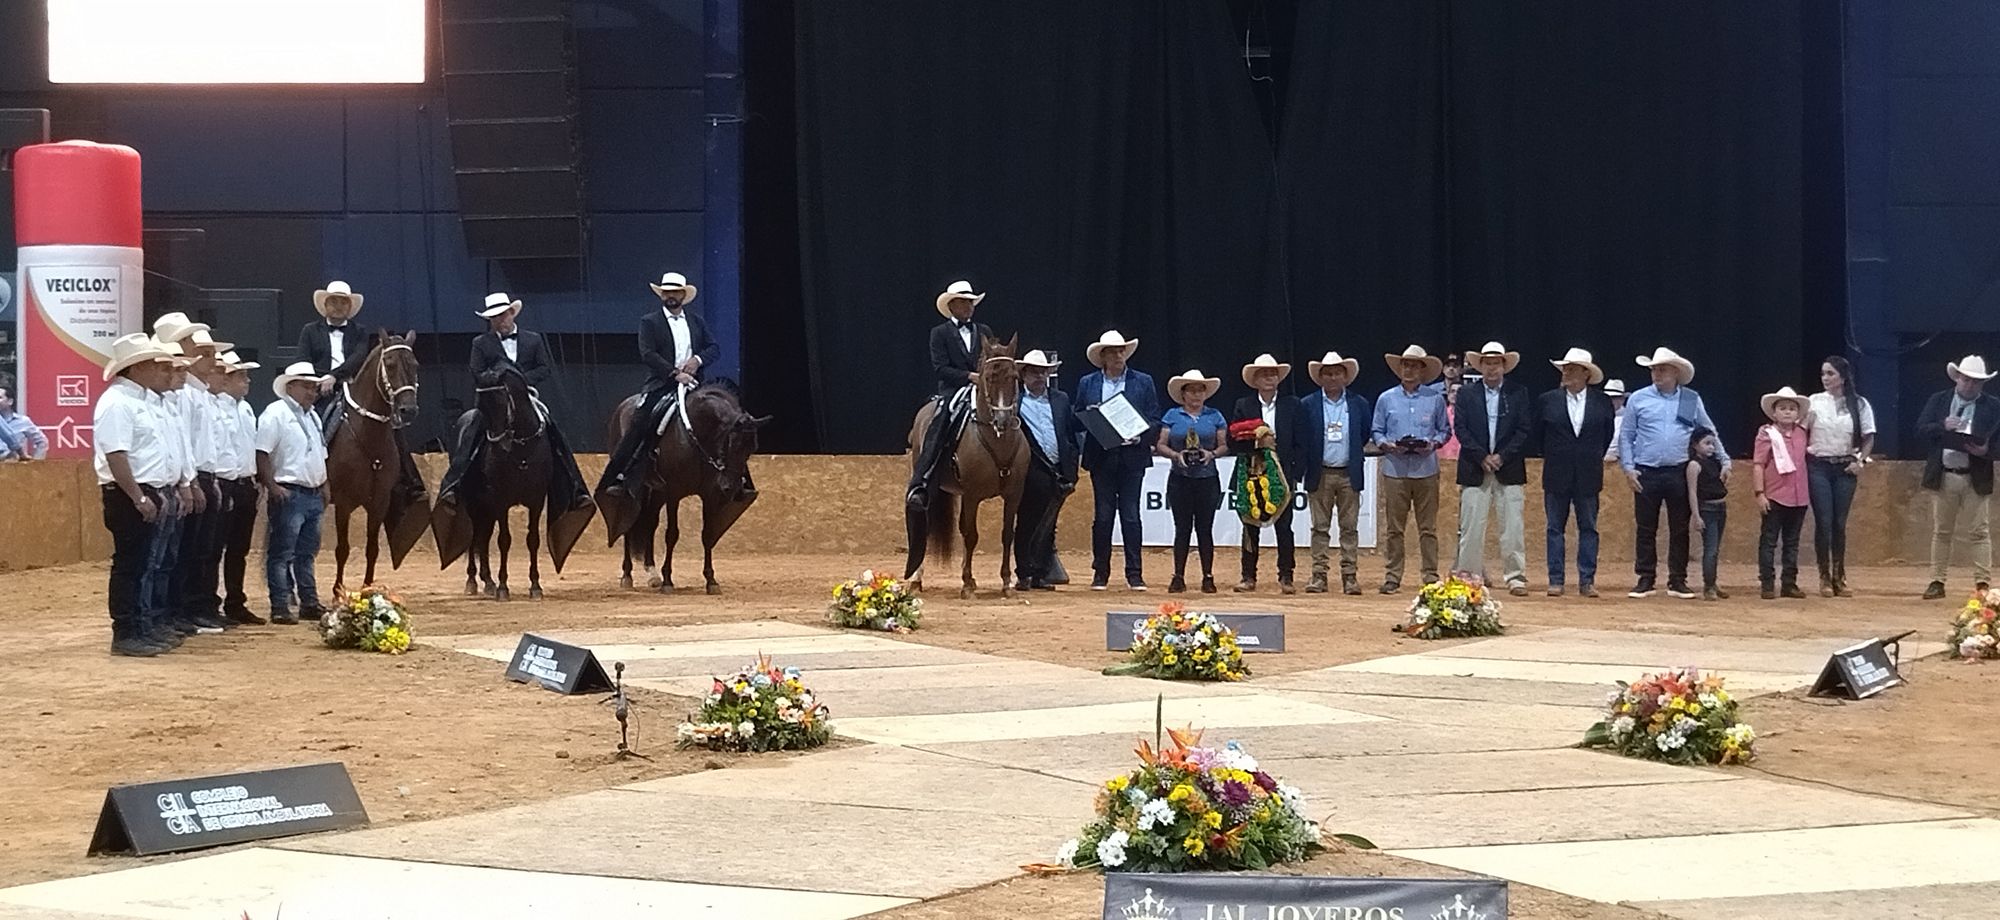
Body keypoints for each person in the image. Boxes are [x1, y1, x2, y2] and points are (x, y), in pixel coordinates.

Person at [435, 293, 595, 559]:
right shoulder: (480, 343)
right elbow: (477, 373)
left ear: (512, 314)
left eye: (503, 315)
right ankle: (454, 484)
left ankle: (574, 486)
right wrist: (500, 379)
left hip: (527, 397)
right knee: (473, 428)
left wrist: (519, 381)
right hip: (493, 400)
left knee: (552, 429)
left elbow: (544, 368)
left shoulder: (533, 340)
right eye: (495, 317)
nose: (500, 320)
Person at [597, 272, 719, 536]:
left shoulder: (696, 322)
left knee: (722, 419)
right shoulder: (650, 322)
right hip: (661, 384)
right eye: (667, 292)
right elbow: (648, 354)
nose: (671, 296)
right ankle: (622, 473)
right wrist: (675, 374)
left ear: (683, 295)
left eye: (675, 292)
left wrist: (697, 360)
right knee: (642, 420)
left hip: (694, 385)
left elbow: (713, 348)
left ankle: (737, 478)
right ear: (662, 295)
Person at [94, 335, 181, 656]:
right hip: (131, 493)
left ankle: (142, 626)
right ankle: (126, 631)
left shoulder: (140, 401)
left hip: (147, 491)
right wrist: (138, 497)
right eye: (153, 364)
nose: (160, 370)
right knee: (131, 565)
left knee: (147, 564)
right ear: (137, 368)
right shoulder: (117, 402)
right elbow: (116, 455)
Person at [1619, 346, 1725, 600]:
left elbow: (1709, 430)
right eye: (1654, 369)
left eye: (1662, 369)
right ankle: (1646, 578)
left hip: (1679, 470)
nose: (1656, 373)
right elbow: (1626, 435)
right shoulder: (1638, 398)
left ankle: (1677, 579)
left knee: (1679, 528)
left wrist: (1724, 458)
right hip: (1646, 470)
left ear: (1675, 373)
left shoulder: (1690, 399)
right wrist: (1629, 468)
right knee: (1646, 527)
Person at [152, 314, 228, 635]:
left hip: (201, 476)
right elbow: (183, 443)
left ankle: (193, 607)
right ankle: (181, 609)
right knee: (183, 552)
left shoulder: (198, 394)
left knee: (199, 550)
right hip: (190, 477)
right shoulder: (182, 395)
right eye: (188, 343)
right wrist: (190, 481)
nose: (196, 351)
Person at [1074, 330, 1160, 591]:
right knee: (1103, 516)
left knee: (1131, 515)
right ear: (1103, 356)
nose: (1118, 356)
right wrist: (1090, 416)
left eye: (1121, 351)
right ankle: (1100, 572)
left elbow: (1154, 418)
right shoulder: (1088, 383)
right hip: (1102, 456)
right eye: (1112, 352)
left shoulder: (1143, 382)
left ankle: (1135, 573)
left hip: (1132, 455)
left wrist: (1140, 435)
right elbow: (1077, 415)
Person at [1533, 348, 1616, 597]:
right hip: (1556, 472)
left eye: (1571, 369)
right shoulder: (1547, 400)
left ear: (1586, 373)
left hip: (1588, 473)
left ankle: (1587, 580)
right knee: (1554, 528)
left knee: (1588, 527)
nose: (1566, 373)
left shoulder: (1602, 402)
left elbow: (1607, 435)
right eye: (1565, 369)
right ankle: (1556, 579)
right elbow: (1538, 436)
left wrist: (1589, 456)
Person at [1453, 342, 1532, 595]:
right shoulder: (1467, 394)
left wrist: (1501, 456)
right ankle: (1468, 576)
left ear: (1504, 366)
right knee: (1471, 528)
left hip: (1509, 469)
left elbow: (1523, 429)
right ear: (1481, 366)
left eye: (1496, 363)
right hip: (1474, 468)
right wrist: (1481, 456)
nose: (1491, 368)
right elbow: (1461, 429)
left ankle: (1516, 577)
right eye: (1487, 363)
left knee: (1513, 527)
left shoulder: (1518, 393)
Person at [908, 280, 995, 510]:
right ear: (952, 306)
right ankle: (922, 481)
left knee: (1009, 413)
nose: (969, 307)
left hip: (983, 389)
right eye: (964, 302)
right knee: (941, 423)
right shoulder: (939, 333)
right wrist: (969, 376)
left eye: (971, 303)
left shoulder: (984, 331)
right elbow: (941, 368)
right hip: (954, 390)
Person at [1917, 355, 1998, 599]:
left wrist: (1986, 451)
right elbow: (1920, 429)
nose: (1970, 385)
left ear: (1982, 384)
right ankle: (1937, 580)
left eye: (1976, 381)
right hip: (1945, 474)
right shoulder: (1939, 400)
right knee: (1942, 531)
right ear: (1957, 379)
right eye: (1966, 380)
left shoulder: (1993, 406)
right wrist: (1943, 425)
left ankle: (1982, 583)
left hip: (1975, 476)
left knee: (1979, 532)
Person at [1371, 345, 1450, 593]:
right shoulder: (1386, 399)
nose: (1409, 370)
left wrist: (1433, 444)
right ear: (1400, 369)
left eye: (1414, 366)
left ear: (1422, 370)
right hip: (1395, 469)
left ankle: (1430, 576)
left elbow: (1445, 431)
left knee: (1428, 528)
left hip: (1426, 469)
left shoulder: (1435, 399)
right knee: (1394, 528)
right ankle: (1393, 576)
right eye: (1406, 365)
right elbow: (1376, 431)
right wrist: (1387, 445)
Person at [258, 362, 331, 625]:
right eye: (306, 387)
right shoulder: (275, 414)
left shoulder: (313, 417)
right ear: (290, 387)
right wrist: (272, 486)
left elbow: (320, 454)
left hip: (312, 492)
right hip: (290, 492)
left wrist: (324, 485)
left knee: (307, 553)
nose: (312, 392)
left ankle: (309, 602)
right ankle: (280, 605)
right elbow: (262, 452)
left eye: (314, 387)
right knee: (282, 552)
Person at [1231, 354, 1305, 593]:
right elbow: (1234, 440)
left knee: (1284, 527)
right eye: (1264, 374)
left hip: (1281, 473)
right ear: (1255, 379)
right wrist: (1257, 443)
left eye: (1273, 373)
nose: (1269, 378)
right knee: (1249, 526)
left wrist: (1295, 473)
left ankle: (1286, 575)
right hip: (1251, 472)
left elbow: (1300, 441)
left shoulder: (1292, 405)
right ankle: (1248, 576)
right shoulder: (1243, 405)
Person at [1299, 351, 1369, 595]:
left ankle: (1350, 576)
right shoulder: (1308, 404)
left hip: (1349, 473)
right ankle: (1319, 575)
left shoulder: (1359, 403)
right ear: (1320, 377)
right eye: (1327, 373)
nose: (1332, 377)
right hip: (1320, 472)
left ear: (1345, 376)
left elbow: (1364, 434)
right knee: (1319, 527)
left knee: (1349, 527)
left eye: (1337, 372)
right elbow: (1304, 437)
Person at [1806, 356, 1875, 596]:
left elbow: (1868, 437)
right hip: (1818, 466)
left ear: (1843, 377)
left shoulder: (1860, 404)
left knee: (1839, 523)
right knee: (1824, 521)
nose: (1825, 378)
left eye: (1830, 373)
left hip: (1845, 467)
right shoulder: (1813, 402)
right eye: (1823, 373)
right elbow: (1801, 432)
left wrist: (1860, 461)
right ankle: (1824, 576)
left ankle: (1839, 575)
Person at [1157, 369, 1228, 594]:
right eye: (1192, 390)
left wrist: (1211, 454)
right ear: (1183, 394)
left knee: (1205, 529)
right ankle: (1178, 575)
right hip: (1180, 479)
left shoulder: (1215, 416)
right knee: (1182, 528)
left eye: (1200, 390)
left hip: (1207, 479)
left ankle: (1208, 576)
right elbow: (1161, 444)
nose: (1196, 394)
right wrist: (1175, 455)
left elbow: (1224, 445)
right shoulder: (1172, 415)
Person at [1014, 349, 1079, 591]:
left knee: (1049, 524)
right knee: (1028, 520)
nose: (1039, 377)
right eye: (1034, 372)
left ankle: (1040, 572)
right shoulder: (1015, 402)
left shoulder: (1060, 399)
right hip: (1031, 468)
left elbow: (1068, 433)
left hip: (1058, 468)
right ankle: (1024, 571)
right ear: (1024, 375)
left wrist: (1070, 464)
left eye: (1043, 372)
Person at [215, 352, 265, 626]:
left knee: (238, 548)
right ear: (226, 379)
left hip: (245, 483)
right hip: (225, 483)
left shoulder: (245, 409)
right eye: (241, 376)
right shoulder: (216, 408)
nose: (247, 381)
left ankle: (235, 601)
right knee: (214, 548)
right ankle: (209, 602)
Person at [1753, 387, 1811, 600]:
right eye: (1783, 408)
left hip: (1799, 496)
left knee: (1792, 542)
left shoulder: (1802, 433)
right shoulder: (1766, 434)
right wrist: (1760, 493)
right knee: (1769, 541)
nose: (1787, 412)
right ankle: (1767, 583)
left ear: (1797, 413)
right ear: (1774, 412)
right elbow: (1759, 464)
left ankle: (1789, 583)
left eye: (1792, 408)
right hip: (1774, 495)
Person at [296, 280, 369, 421]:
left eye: (343, 302)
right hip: (318, 391)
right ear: (325, 304)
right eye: (334, 302)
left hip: (352, 388)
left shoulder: (360, 331)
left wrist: (333, 376)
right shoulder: (310, 330)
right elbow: (303, 360)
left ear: (350, 307)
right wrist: (316, 383)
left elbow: (358, 357)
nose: (338, 306)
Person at [1685, 427, 1729, 602]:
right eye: (1707, 443)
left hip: (1720, 507)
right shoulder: (1694, 465)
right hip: (1707, 509)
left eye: (1712, 444)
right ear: (1695, 445)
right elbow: (1692, 492)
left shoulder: (1714, 462)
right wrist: (1696, 515)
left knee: (1715, 549)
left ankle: (1713, 582)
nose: (1711, 447)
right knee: (1710, 549)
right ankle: (1708, 586)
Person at [0, 383, 48, 461]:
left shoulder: (23, 421)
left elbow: (42, 441)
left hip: (14, 464)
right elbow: (8, 435)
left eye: (0, 397)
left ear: (10, 401)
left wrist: (36, 463)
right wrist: (20, 453)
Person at [1602, 379, 1629, 462]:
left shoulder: (1630, 418)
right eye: (1607, 398)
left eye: (1614, 398)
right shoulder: (1597, 415)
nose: (1610, 401)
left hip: (1620, 462)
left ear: (1622, 399)